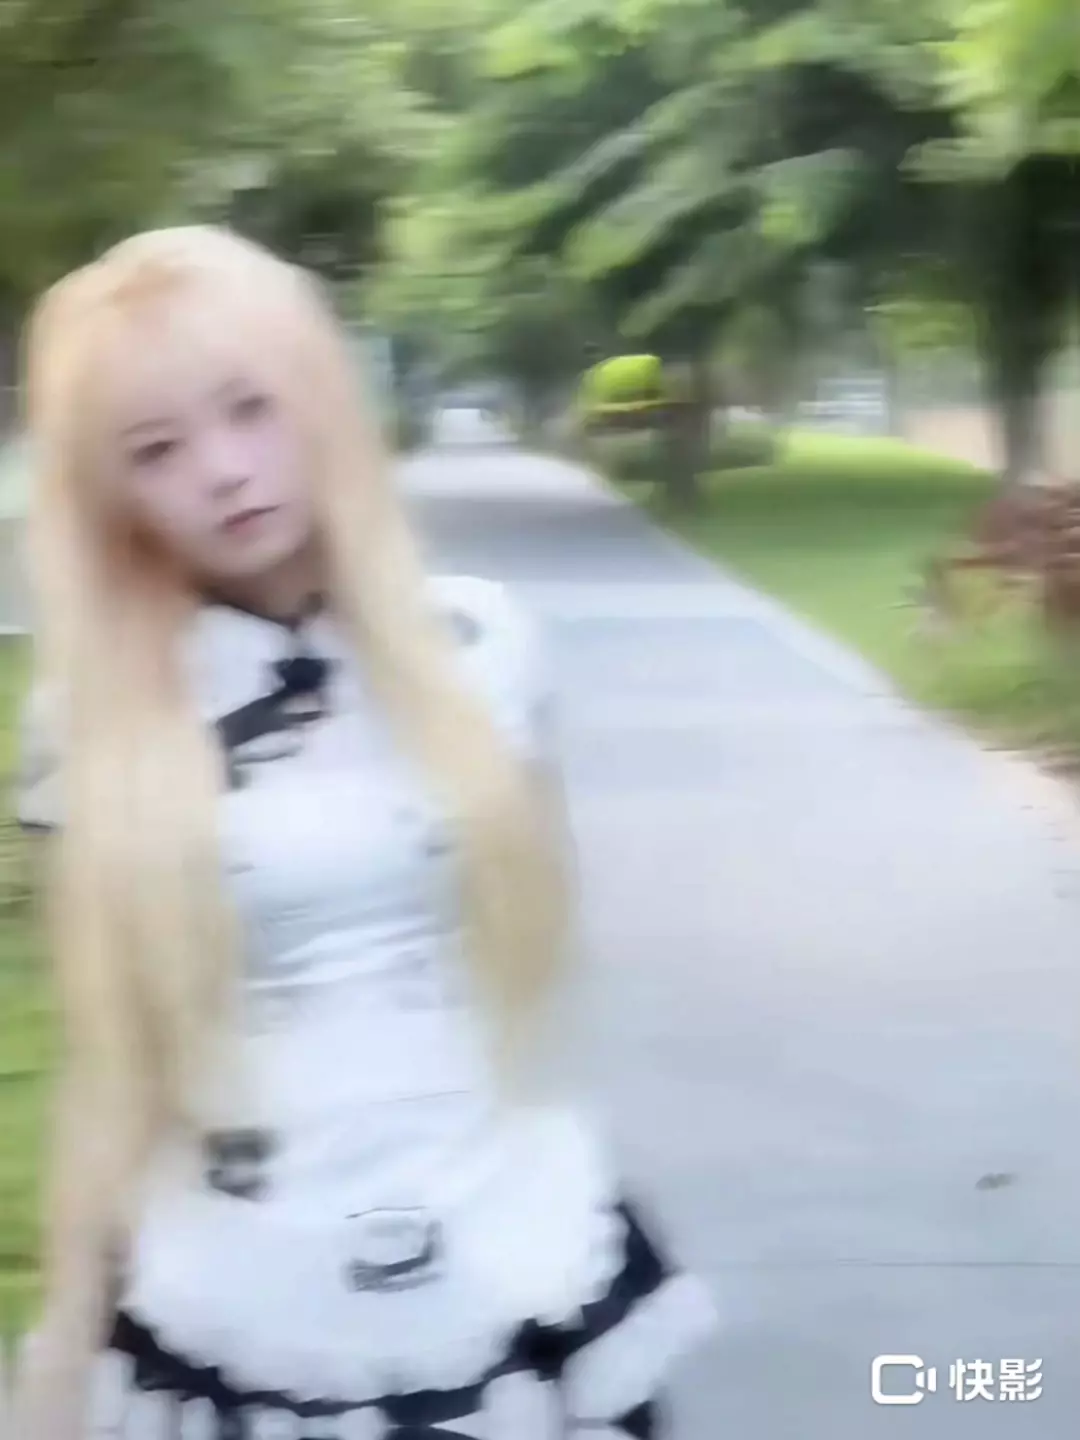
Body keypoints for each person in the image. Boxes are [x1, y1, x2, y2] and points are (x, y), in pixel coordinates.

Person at [10, 226, 716, 1439]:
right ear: (114, 495)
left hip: (509, 1237)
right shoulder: (94, 726)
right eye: (157, 450)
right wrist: (62, 1345)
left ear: (322, 401)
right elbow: (110, 1069)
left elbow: (528, 976)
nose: (225, 472)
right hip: (252, 1277)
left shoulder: (481, 646)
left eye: (251, 409)